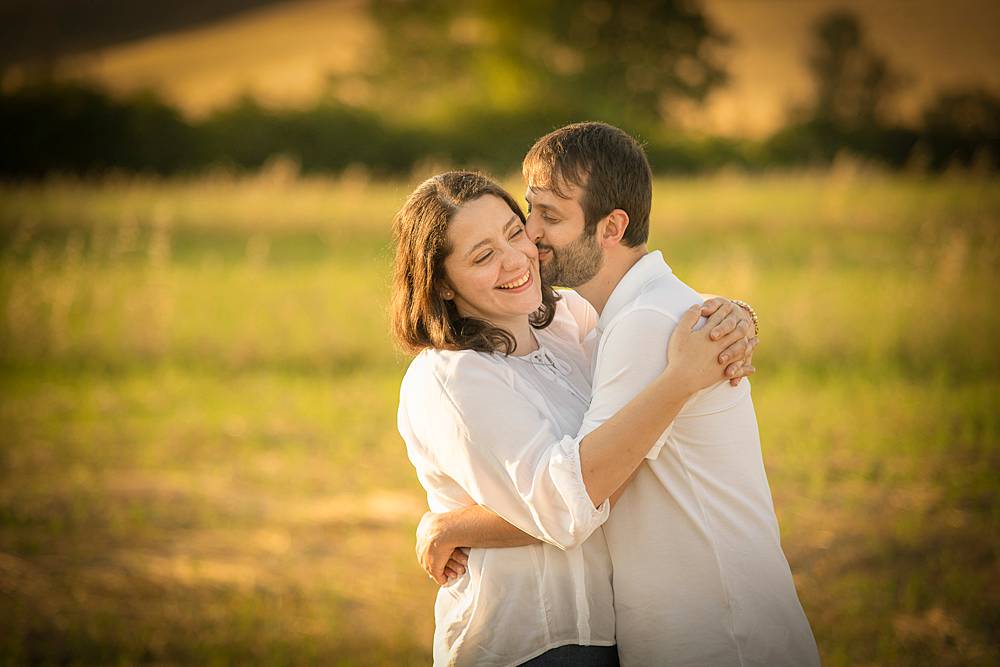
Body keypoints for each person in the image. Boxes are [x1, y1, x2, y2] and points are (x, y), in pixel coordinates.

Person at [417, 123, 820, 666]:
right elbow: (578, 490)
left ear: (612, 227)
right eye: (529, 214)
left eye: (540, 220)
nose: (530, 240)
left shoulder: (624, 325)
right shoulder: (604, 321)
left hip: (716, 632)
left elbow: (588, 487)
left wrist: (456, 525)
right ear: (441, 280)